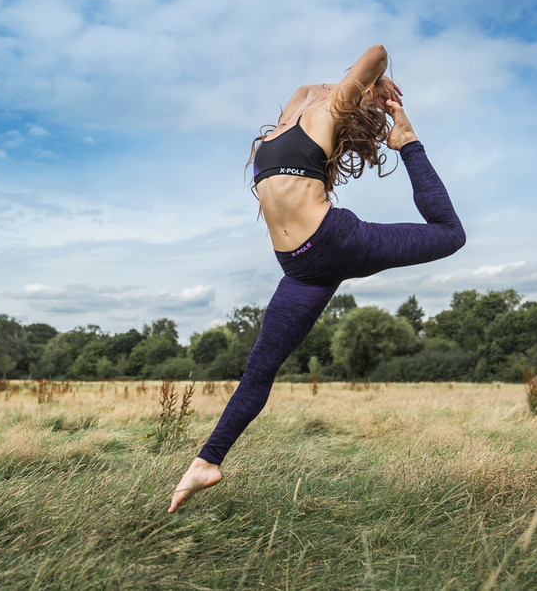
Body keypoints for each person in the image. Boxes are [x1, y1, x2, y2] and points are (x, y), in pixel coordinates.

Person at [168, 45, 466, 513]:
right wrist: (355, 82)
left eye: (344, 85)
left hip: (335, 240)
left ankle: (408, 142)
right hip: (301, 268)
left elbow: (376, 53)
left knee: (450, 235)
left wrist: (377, 86)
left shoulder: (329, 111)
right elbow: (309, 85)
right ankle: (207, 462)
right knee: (259, 368)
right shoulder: (296, 110)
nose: (329, 86)